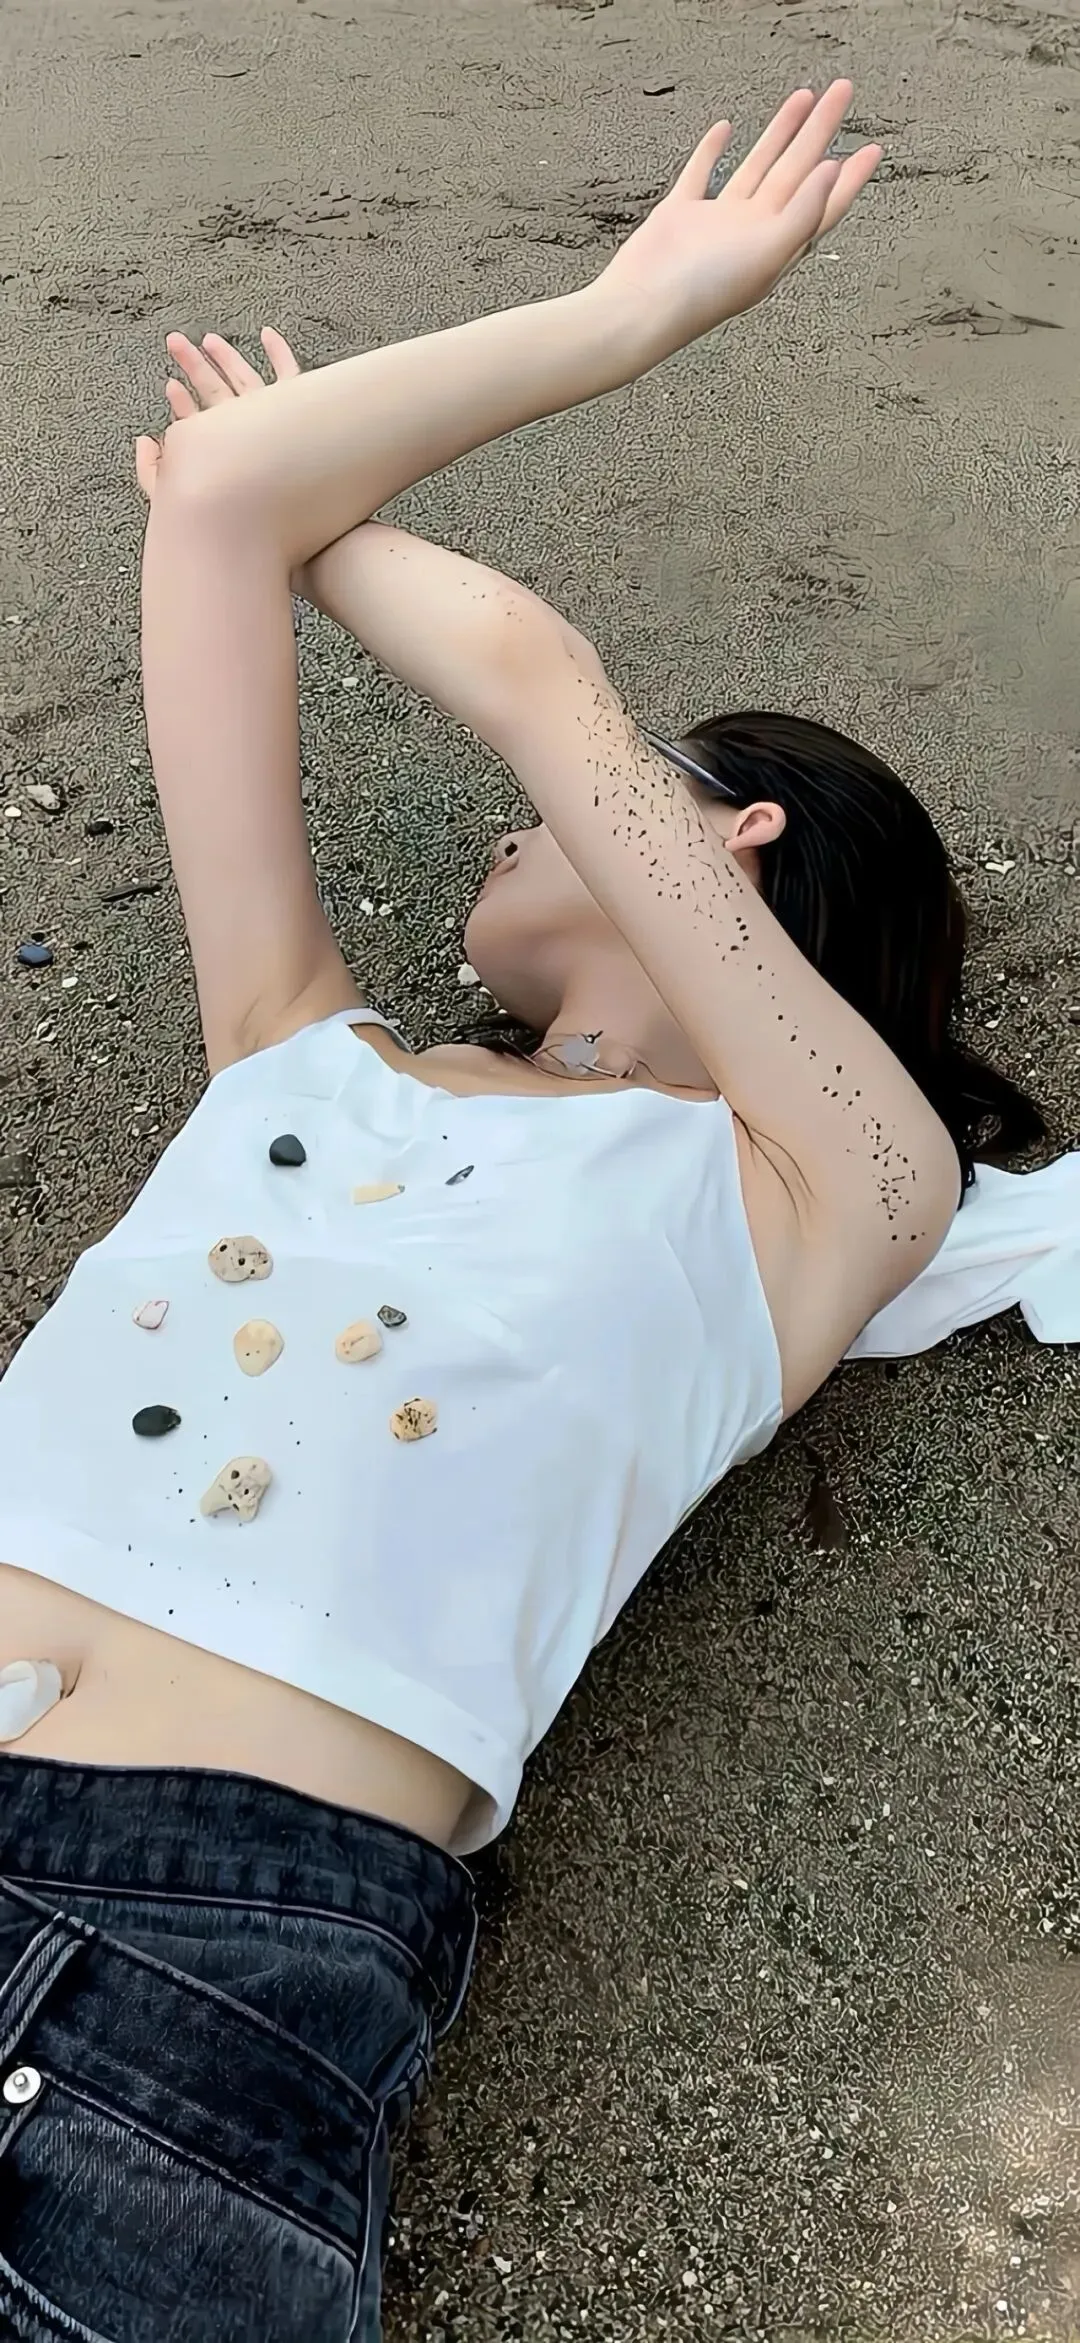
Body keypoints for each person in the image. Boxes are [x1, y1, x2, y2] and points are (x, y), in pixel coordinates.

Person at [0, 81, 1074, 2341]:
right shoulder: (297, 1046)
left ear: (733, 838)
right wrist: (337, 460)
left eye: (641, 789)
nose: (511, 833)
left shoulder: (838, 1188)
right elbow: (220, 508)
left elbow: (514, 672)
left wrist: (597, 338)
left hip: (197, 1962)